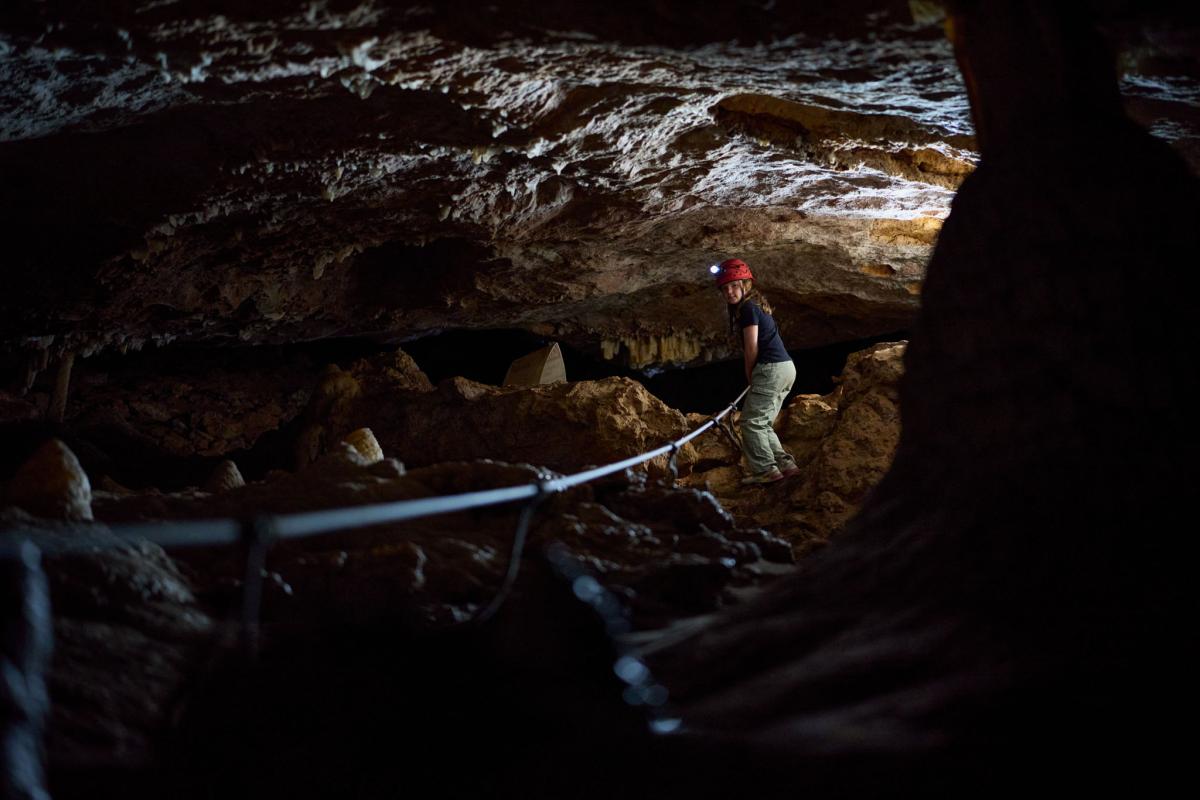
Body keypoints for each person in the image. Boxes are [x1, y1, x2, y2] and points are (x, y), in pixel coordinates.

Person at [713, 258, 799, 485]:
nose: (729, 292)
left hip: (771, 368)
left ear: (745, 284)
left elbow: (752, 347)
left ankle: (766, 471)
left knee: (750, 422)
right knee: (762, 422)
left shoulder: (748, 309)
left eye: (733, 285)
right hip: (786, 368)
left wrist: (750, 374)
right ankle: (785, 465)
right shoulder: (757, 306)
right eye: (725, 288)